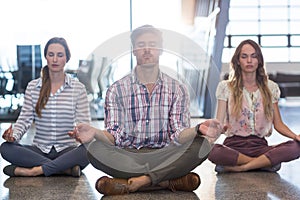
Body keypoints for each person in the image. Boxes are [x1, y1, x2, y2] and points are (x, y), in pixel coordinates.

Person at [68, 25, 225, 196]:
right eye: (141, 45)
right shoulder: (116, 89)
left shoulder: (177, 88)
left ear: (161, 49)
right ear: (134, 50)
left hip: (166, 154)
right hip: (128, 155)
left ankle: (141, 181)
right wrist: (94, 132)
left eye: (153, 44)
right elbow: (115, 136)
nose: (147, 49)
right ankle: (166, 181)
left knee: (201, 145)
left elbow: (178, 134)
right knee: (94, 149)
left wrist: (198, 129)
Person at [0, 37, 91, 177]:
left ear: (66, 58)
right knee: (6, 148)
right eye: (51, 54)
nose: (55, 59)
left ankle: (36, 170)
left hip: (67, 150)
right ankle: (64, 169)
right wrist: (13, 136)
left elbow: (85, 124)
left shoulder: (78, 88)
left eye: (60, 55)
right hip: (40, 149)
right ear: (46, 57)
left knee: (91, 149)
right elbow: (24, 120)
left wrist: (81, 135)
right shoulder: (33, 87)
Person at [208, 39, 300, 173]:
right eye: (244, 56)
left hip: (260, 146)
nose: (249, 61)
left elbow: (279, 124)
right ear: (238, 61)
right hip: (233, 146)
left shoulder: (271, 88)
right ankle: (263, 163)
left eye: (254, 56)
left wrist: (295, 136)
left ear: (259, 60)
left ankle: (242, 167)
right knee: (211, 150)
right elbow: (218, 123)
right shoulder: (225, 87)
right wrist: (208, 140)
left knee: (296, 147)